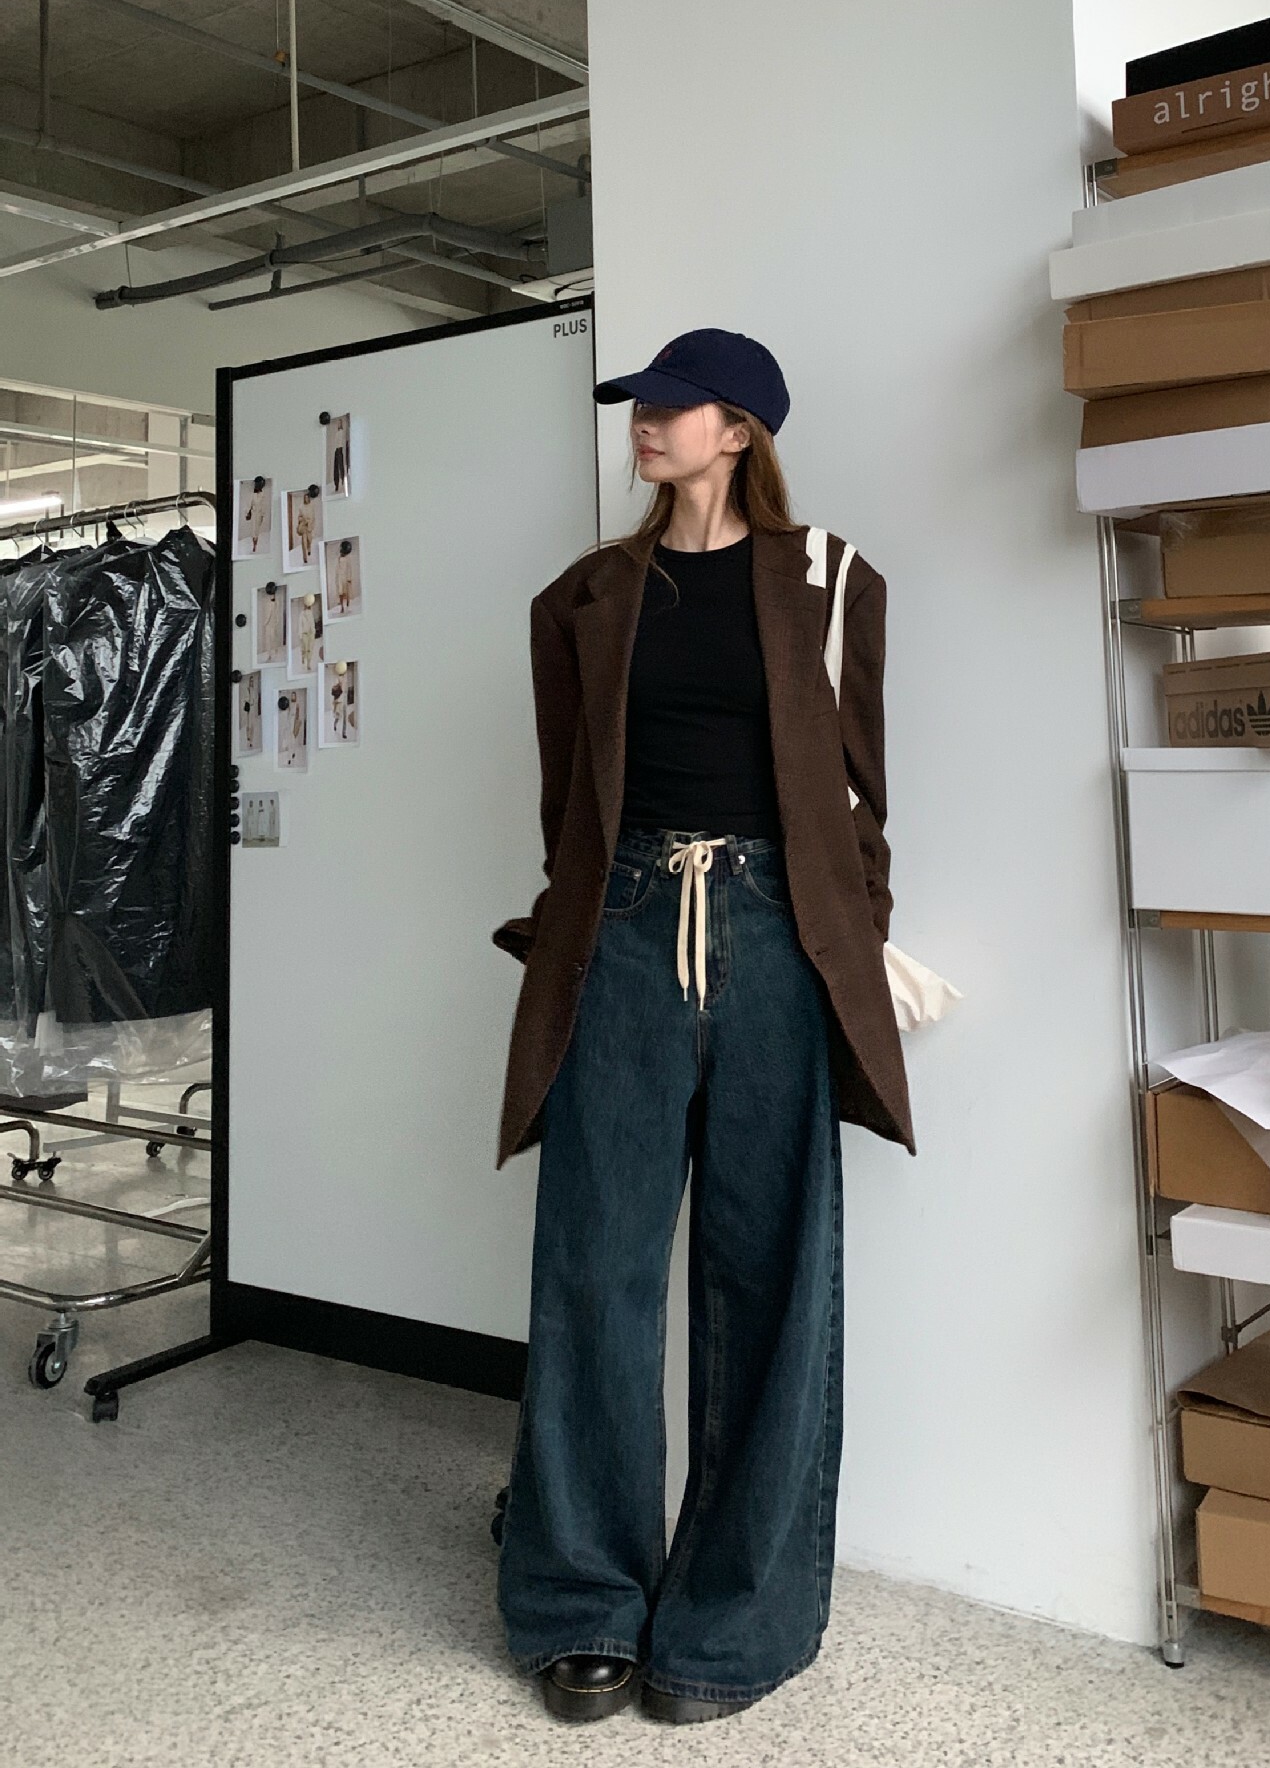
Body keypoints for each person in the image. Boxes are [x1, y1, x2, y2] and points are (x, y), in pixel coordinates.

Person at [491, 329, 913, 1726]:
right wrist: (577, 922)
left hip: (777, 934)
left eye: (672, 407)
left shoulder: (831, 581)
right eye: (640, 407)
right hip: (622, 927)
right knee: (594, 1263)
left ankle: (733, 1622)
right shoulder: (586, 596)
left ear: (739, 430)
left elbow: (861, 796)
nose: (645, 424)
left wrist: (857, 939)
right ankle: (581, 1601)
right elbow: (567, 799)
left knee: (770, 1270)